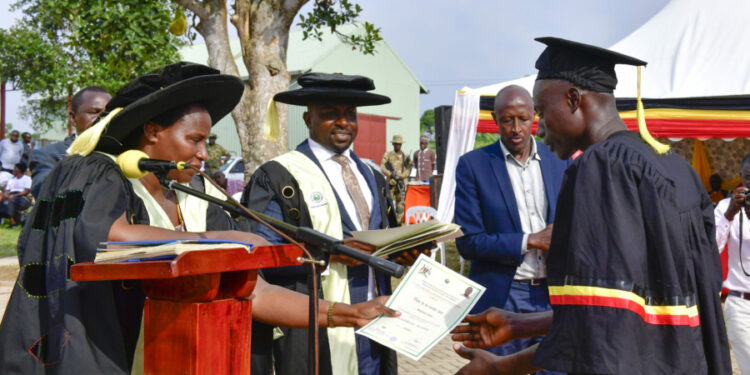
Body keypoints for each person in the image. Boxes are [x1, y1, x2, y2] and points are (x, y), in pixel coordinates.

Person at [0, 62, 397, 375]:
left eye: (206, 141)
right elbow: (106, 238)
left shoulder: (203, 200)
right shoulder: (98, 173)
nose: (205, 154)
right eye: (194, 140)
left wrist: (348, 314)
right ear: (153, 131)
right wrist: (224, 243)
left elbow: (254, 292)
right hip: (98, 358)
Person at [451, 37, 731, 375]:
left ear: (572, 99)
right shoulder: (672, 165)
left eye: (540, 111)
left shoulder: (599, 170)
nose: (539, 127)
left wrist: (501, 367)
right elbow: (629, 302)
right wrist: (520, 325)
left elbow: (599, 327)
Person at [242, 72, 421, 375]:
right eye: (330, 114)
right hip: (315, 325)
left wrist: (404, 253)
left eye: (350, 114)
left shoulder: (372, 175)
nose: (343, 122)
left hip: (374, 323)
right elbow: (258, 255)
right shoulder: (279, 176)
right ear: (308, 118)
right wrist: (326, 255)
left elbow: (383, 238)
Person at [454, 85, 569, 362]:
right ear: (495, 120)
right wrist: (529, 240)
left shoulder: (558, 160)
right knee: (500, 369)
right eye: (507, 120)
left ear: (535, 117)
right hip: (504, 296)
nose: (516, 128)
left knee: (553, 367)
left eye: (523, 119)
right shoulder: (474, 165)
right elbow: (468, 242)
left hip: (553, 294)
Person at [29, 86, 111, 197]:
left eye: (108, 114)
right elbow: (45, 191)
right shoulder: (49, 155)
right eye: (94, 112)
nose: (103, 119)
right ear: (73, 118)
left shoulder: (125, 154)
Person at [716, 153, 750, 373]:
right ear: (741, 178)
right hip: (740, 305)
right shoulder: (725, 206)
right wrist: (729, 215)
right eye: (749, 178)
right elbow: (712, 248)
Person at [381, 134, 410, 223]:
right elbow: (382, 167)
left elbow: (408, 170)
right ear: (393, 144)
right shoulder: (388, 155)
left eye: (399, 144)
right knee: (387, 203)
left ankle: (398, 222)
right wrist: (391, 174)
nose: (397, 145)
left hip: (401, 184)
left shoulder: (406, 156)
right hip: (391, 183)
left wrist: (401, 176)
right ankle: (387, 222)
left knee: (400, 205)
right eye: (396, 144)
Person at [0, 162, 32, 227]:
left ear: (20, 170)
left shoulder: (26, 179)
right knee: (3, 200)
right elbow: (7, 190)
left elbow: (27, 191)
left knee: (10, 202)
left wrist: (14, 196)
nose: (13, 170)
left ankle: (14, 222)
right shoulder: (12, 180)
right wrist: (5, 195)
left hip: (23, 198)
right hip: (12, 196)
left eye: (15, 168)